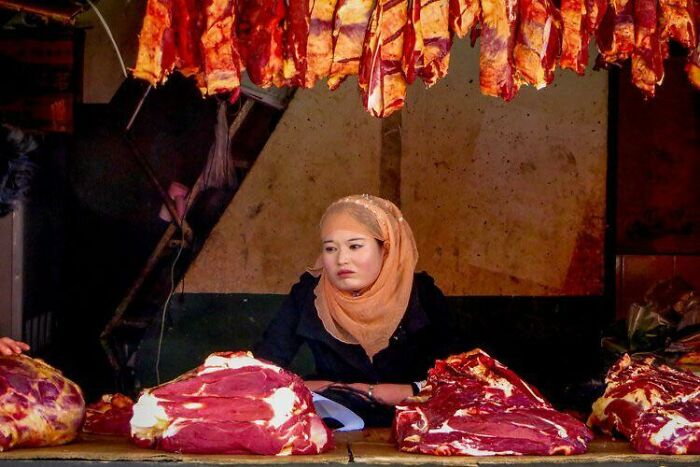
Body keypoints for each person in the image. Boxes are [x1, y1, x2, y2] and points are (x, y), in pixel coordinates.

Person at [255, 194, 459, 420]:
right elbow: (263, 370)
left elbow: (463, 375)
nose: (342, 259)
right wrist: (318, 387)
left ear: (385, 249)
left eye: (355, 246)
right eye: (330, 248)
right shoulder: (310, 292)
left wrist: (407, 390)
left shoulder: (421, 293)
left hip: (419, 425)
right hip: (335, 423)